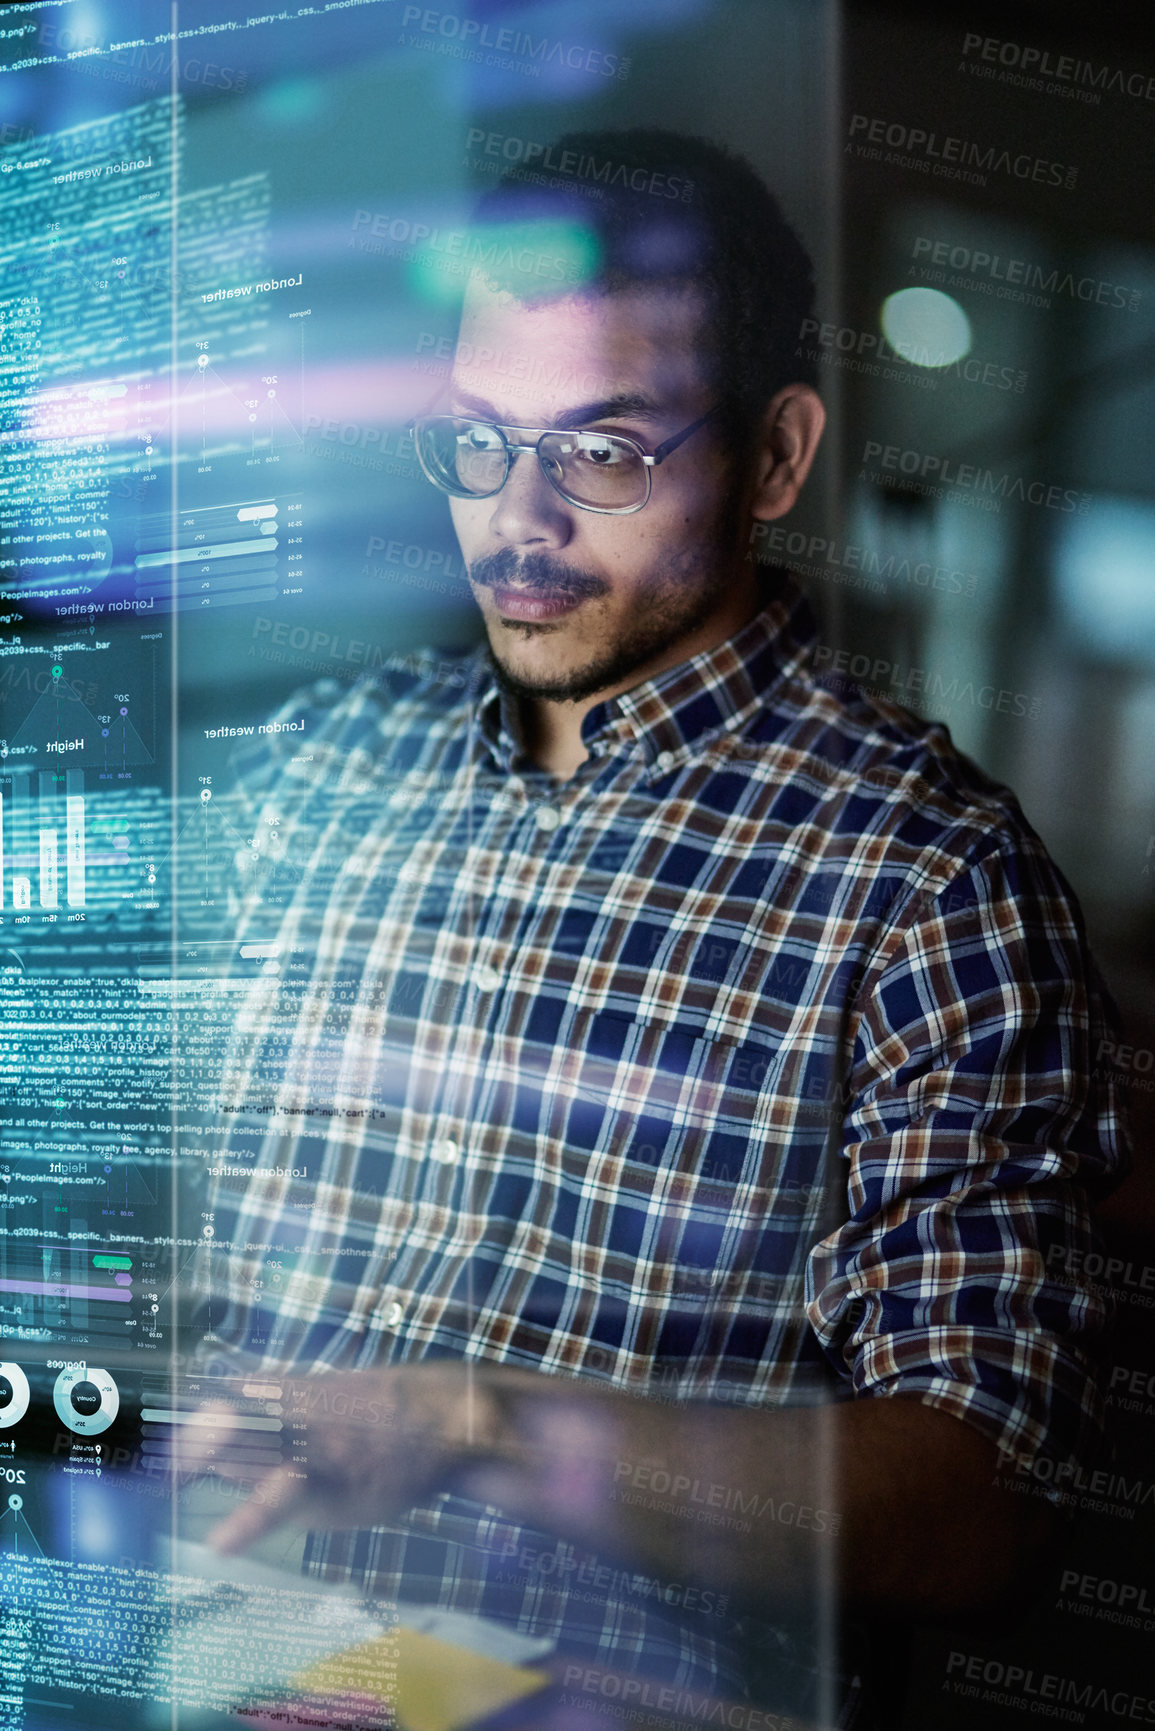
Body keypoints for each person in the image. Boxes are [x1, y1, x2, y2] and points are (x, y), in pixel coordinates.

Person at [187, 130, 1128, 1724]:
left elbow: (978, 1499)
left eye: (603, 454)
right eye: (476, 443)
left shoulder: (927, 882)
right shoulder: (306, 774)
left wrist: (488, 1424)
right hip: (188, 1647)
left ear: (774, 457)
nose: (519, 520)